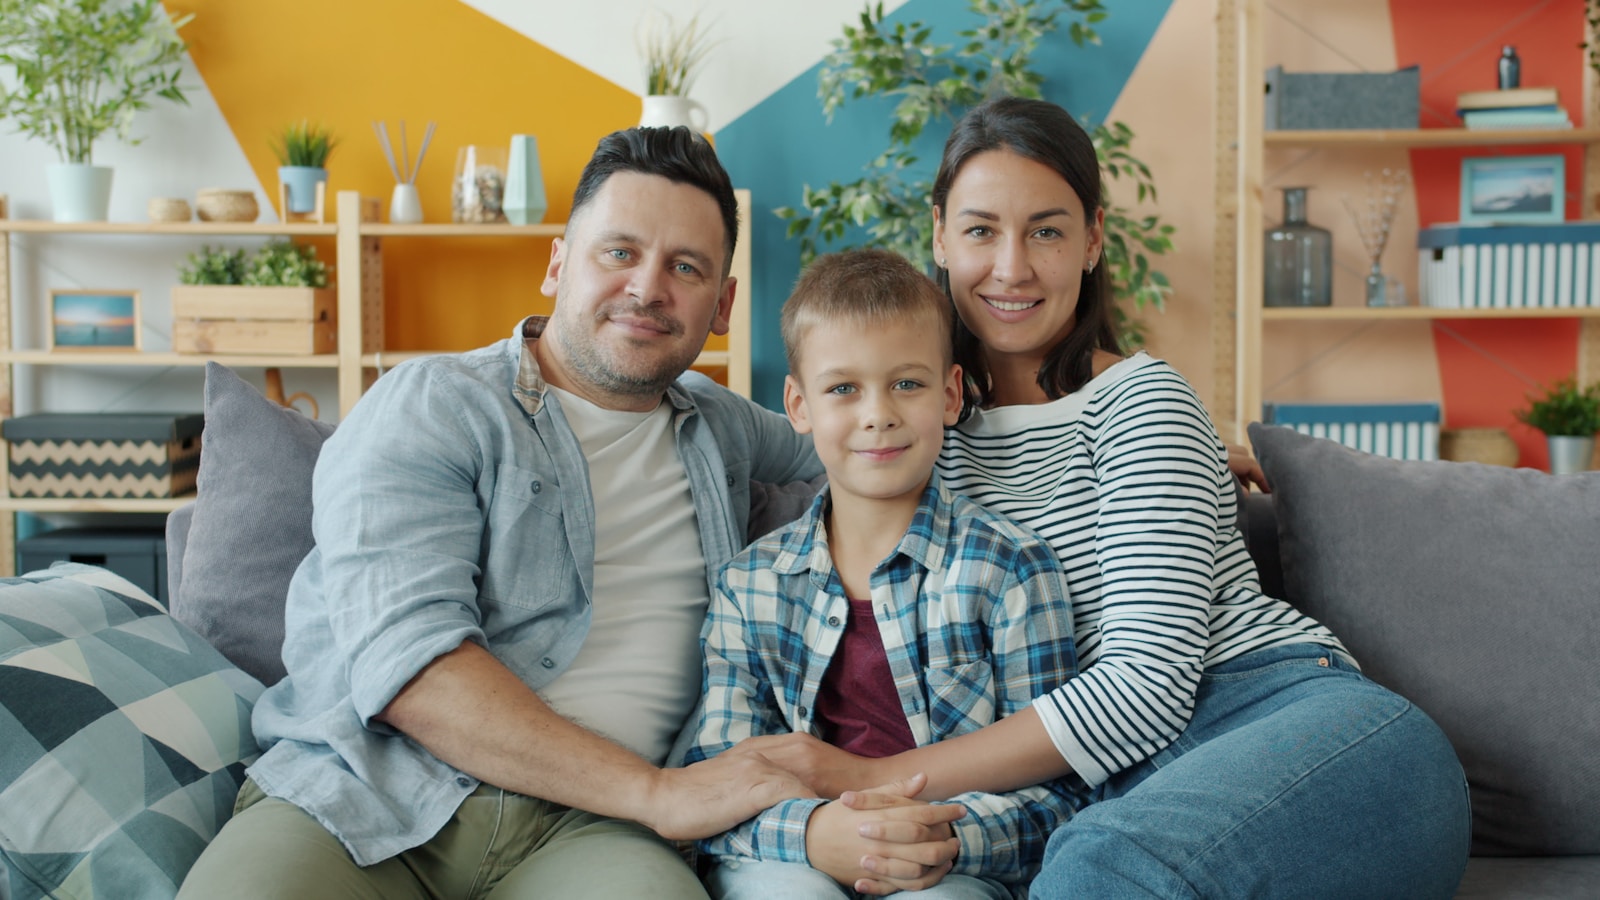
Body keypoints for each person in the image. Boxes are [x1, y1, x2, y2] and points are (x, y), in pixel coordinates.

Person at [729, 96, 1472, 899]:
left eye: (1046, 230)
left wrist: (873, 775)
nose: (1011, 267)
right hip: (1123, 796)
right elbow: (786, 425)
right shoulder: (919, 427)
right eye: (981, 230)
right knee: (1088, 862)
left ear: (1092, 242)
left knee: (1095, 871)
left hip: (1289, 722)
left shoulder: (1140, 402)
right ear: (940, 235)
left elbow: (1146, 690)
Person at [178, 126, 825, 899]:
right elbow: (412, 667)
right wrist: (662, 795)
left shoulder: (723, 425)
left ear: (720, 305)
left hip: (594, 835)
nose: (648, 288)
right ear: (557, 264)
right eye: (618, 252)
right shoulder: (435, 405)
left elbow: (869, 438)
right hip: (368, 794)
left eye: (684, 267)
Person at [685, 249, 1085, 900]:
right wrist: (814, 832)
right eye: (844, 388)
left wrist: (942, 838)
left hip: (954, 856)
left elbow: (1061, 794)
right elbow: (714, 784)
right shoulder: (749, 584)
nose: (878, 414)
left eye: (907, 383)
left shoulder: (1012, 568)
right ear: (799, 403)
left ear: (951, 393)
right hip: (793, 856)